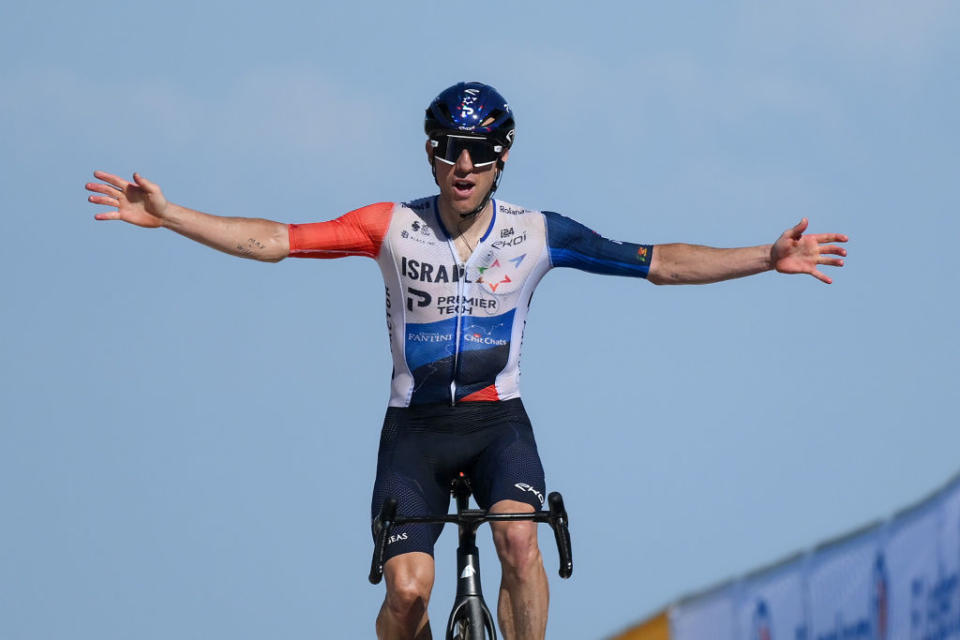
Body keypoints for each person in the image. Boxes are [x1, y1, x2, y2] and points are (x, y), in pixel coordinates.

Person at [86, 81, 848, 640]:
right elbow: (277, 240)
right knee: (409, 595)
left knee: (521, 538)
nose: (463, 162)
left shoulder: (537, 232)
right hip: (414, 432)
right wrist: (171, 213)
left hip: (496, 426)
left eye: (479, 151)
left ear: (502, 157)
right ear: (431, 152)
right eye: (449, 148)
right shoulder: (388, 226)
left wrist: (764, 257)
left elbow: (658, 262)